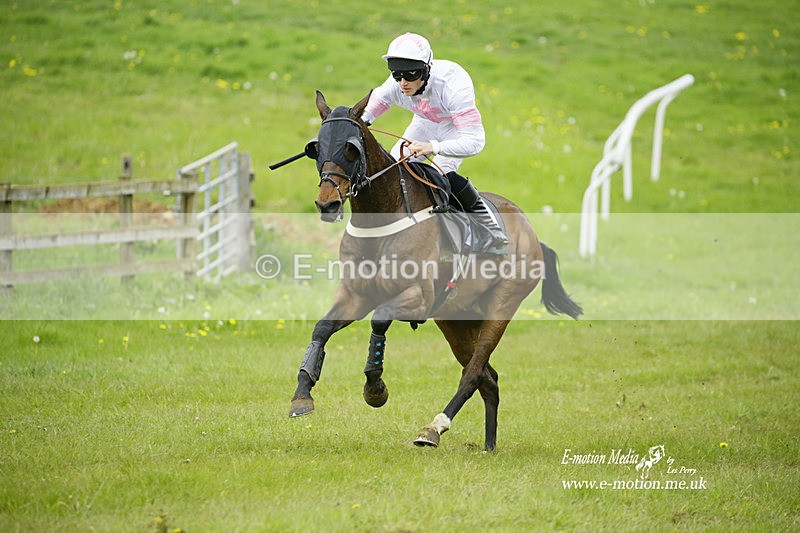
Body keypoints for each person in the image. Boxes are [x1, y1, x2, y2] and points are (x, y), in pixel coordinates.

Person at [362, 32, 508, 250]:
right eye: (396, 75)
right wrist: (355, 124)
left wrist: (433, 147)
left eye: (410, 75)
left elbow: (476, 141)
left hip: (455, 129)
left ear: (426, 69)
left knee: (442, 174)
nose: (403, 83)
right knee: (396, 169)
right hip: (424, 123)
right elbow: (370, 110)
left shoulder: (452, 85)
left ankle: (489, 226)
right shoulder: (398, 83)